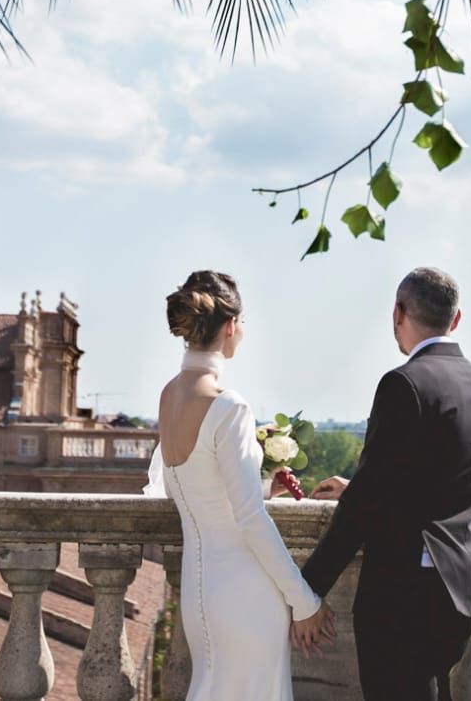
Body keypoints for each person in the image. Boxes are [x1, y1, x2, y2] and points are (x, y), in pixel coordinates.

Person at [300, 267, 471, 701]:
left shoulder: (404, 383)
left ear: (398, 313)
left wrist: (307, 589)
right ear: (456, 318)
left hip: (404, 594)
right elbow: (434, 480)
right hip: (459, 588)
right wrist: (356, 488)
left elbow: (364, 510)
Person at [143, 270, 336, 699]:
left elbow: (190, 490)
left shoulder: (169, 395)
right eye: (243, 323)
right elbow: (250, 520)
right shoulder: (228, 405)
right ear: (231, 326)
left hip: (200, 594)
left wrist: (263, 485)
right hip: (247, 596)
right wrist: (304, 602)